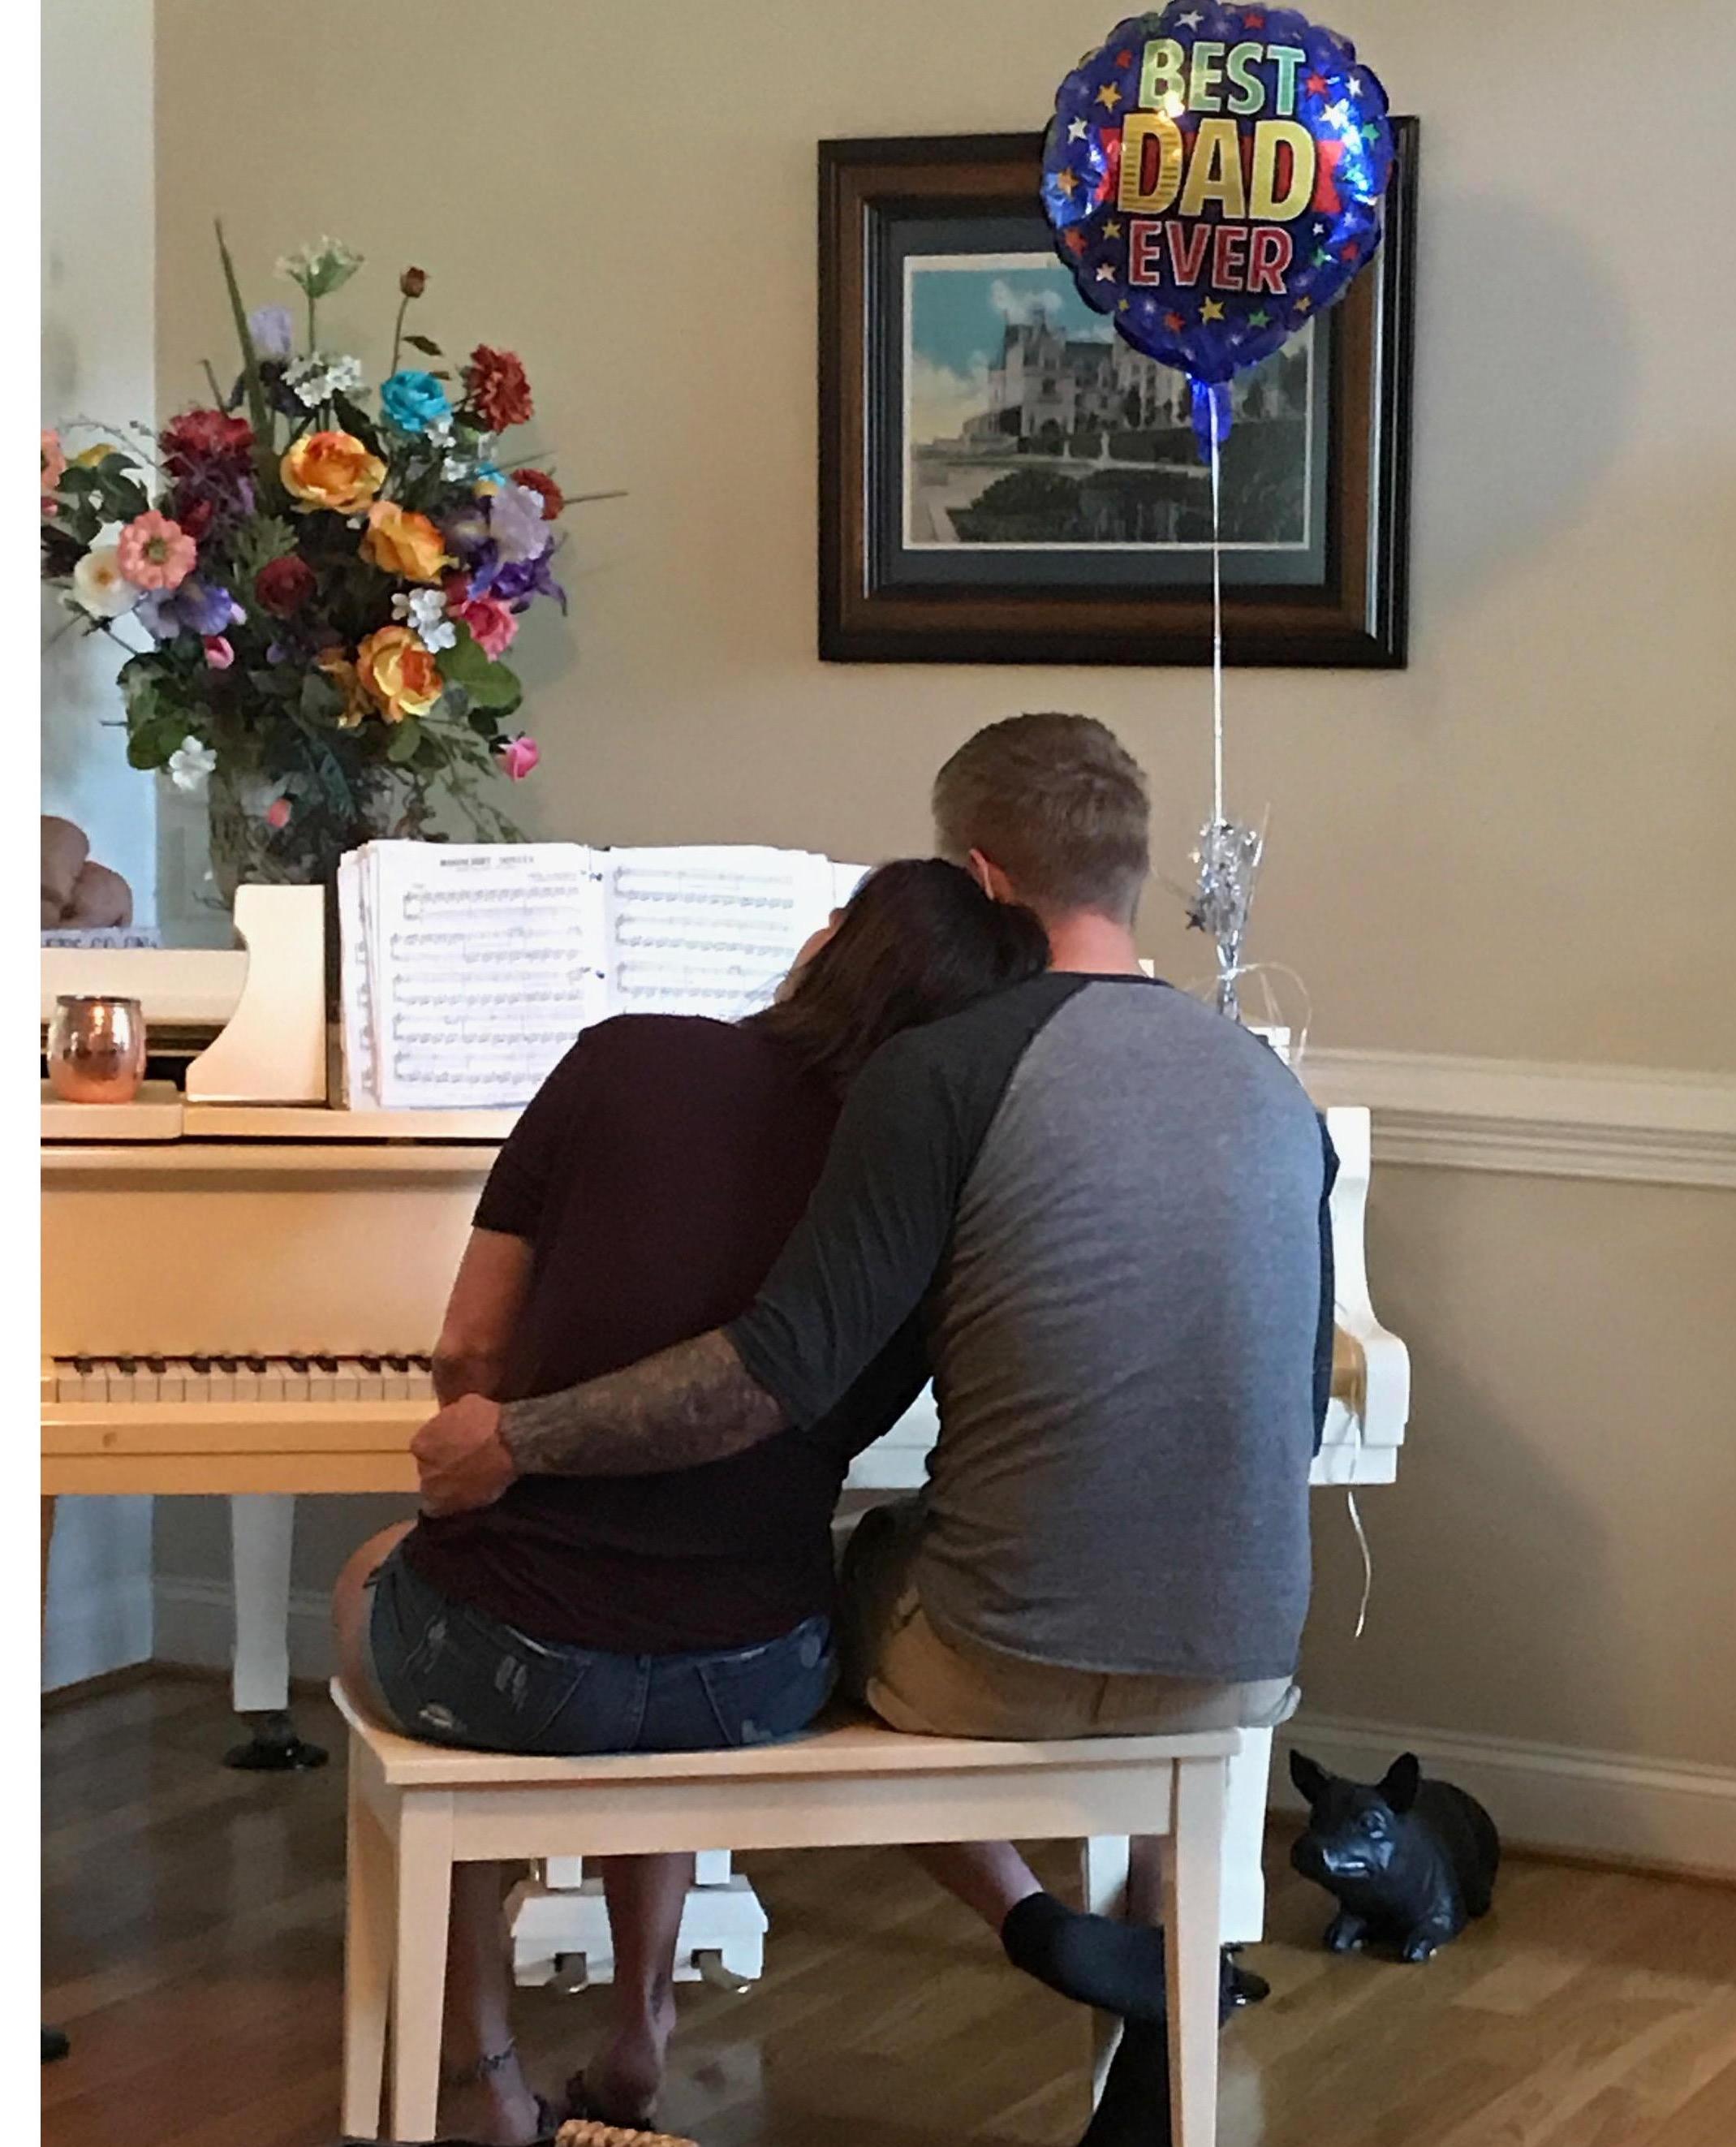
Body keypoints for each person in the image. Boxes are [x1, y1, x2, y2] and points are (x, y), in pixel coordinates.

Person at [414, 713, 1337, 2147]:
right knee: (1117, 1596)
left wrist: (516, 1439)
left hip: (995, 1661)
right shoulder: (1274, 1089)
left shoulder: (947, 1070)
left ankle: (1021, 1926)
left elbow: (766, 1373)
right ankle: (1149, 2036)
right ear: (1133, 868)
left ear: (974, 873)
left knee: (793, 1606)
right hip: (1244, 1657)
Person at [331, 858, 1048, 2145]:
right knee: (665, 1619)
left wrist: (488, 1468)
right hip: (757, 1673)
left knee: (393, 1579)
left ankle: (491, 2083)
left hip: (517, 1667)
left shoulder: (620, 1059)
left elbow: (469, 1358)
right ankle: (639, 2026)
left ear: (825, 942)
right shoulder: (931, 1174)